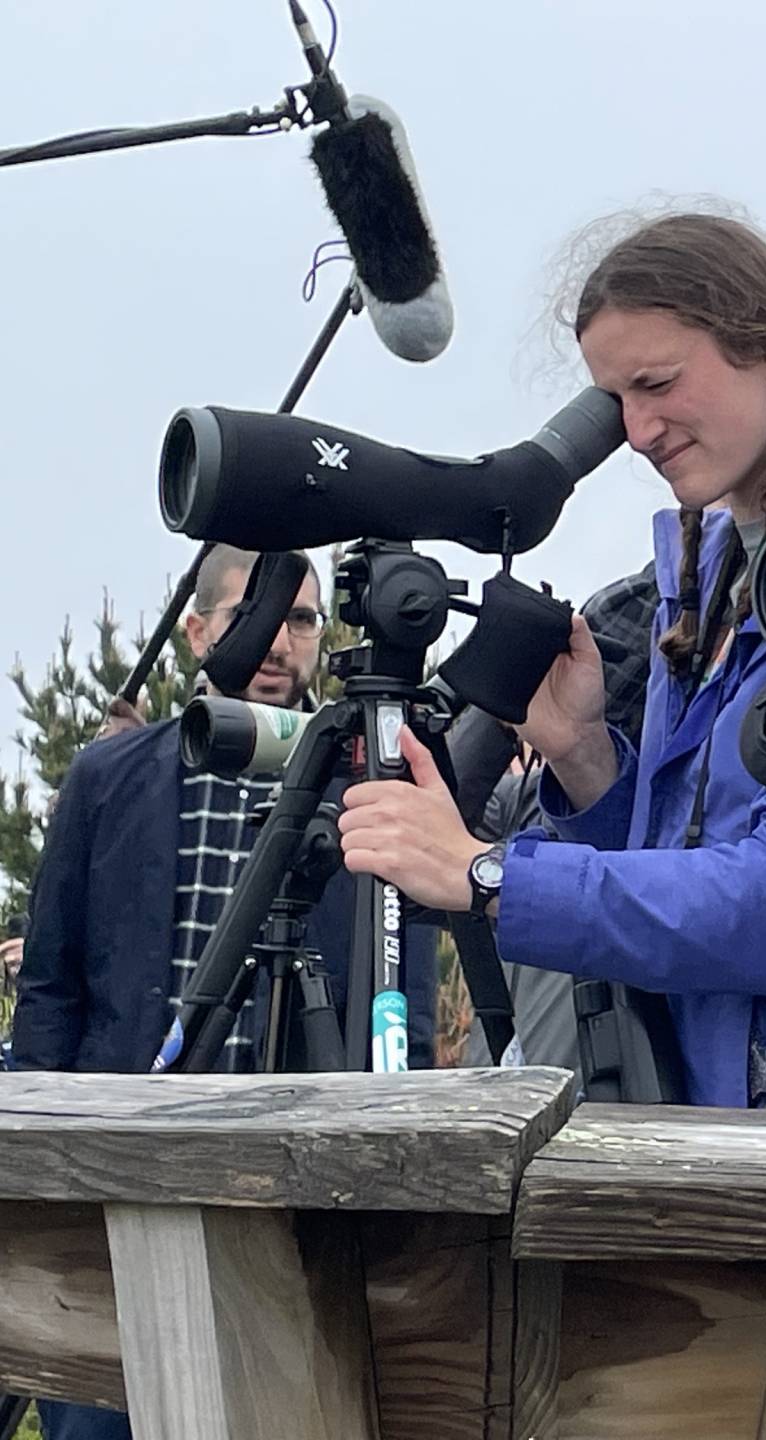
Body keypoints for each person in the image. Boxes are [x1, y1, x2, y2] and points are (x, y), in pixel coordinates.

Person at [339, 211, 766, 1112]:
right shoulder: (713, 563)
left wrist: (490, 875)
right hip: (709, 1119)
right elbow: (684, 880)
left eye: (657, 384)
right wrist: (586, 758)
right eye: (615, 403)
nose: (638, 432)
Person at [12, 544, 436, 1440]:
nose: (279, 639)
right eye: (254, 614)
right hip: (118, 1197)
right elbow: (50, 995)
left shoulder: (376, 794)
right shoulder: (108, 780)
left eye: (302, 618)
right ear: (198, 631)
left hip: (299, 1207)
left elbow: (409, 1014)